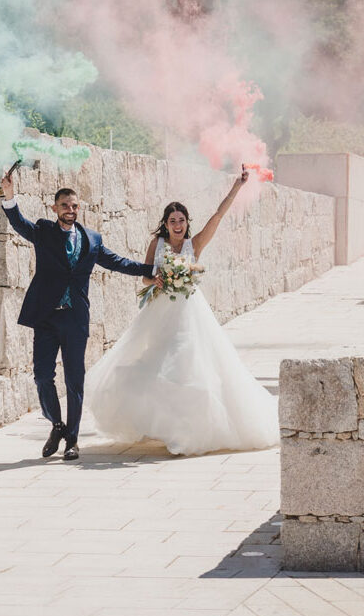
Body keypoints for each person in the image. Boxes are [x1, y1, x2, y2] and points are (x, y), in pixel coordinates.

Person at [86, 170, 280, 455]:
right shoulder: (158, 244)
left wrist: (237, 187)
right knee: (155, 364)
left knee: (184, 365)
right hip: (161, 312)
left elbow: (218, 215)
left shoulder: (194, 244)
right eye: (172, 221)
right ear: (165, 224)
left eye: (181, 220)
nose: (177, 225)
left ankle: (185, 432)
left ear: (187, 223)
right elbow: (145, 275)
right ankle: (166, 426)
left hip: (189, 313)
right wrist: (156, 280)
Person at [0, 173, 151, 461]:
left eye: (74, 206)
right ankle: (56, 424)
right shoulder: (44, 231)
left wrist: (151, 270)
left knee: (74, 380)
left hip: (75, 319)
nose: (70, 210)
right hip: (46, 317)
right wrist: (9, 195)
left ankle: (72, 439)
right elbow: (19, 223)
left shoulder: (91, 239)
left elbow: (117, 262)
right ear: (54, 208)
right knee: (43, 376)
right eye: (65, 205)